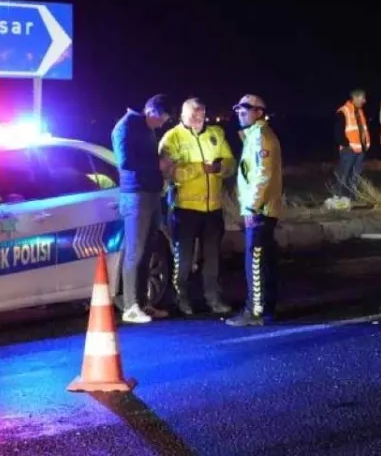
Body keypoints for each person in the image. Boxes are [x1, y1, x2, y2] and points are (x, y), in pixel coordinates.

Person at [158, 97, 235, 315]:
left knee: (212, 260)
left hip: (213, 208)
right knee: (183, 259)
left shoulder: (216, 134)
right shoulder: (171, 138)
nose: (197, 119)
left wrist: (219, 168)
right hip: (185, 209)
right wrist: (200, 169)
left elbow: (230, 163)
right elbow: (167, 172)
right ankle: (182, 298)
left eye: (201, 114)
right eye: (193, 115)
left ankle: (213, 298)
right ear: (182, 115)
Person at [111, 94, 173, 324]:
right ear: (151, 112)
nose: (162, 124)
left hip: (152, 193)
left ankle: (143, 303)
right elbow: (125, 162)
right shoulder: (124, 128)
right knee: (135, 252)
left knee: (148, 250)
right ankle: (130, 306)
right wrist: (156, 165)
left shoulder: (148, 129)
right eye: (162, 119)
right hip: (135, 195)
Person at [227, 94, 283, 327]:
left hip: (260, 209)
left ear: (259, 112)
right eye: (239, 109)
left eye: (246, 109)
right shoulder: (254, 136)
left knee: (256, 261)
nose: (241, 113)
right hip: (262, 208)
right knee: (263, 259)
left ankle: (255, 311)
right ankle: (265, 307)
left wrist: (251, 207)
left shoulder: (260, 137)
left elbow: (263, 175)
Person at [328, 89, 370, 208]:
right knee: (344, 174)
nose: (364, 101)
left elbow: (363, 130)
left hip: (360, 150)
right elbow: (338, 132)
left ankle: (352, 199)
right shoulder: (343, 111)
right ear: (355, 97)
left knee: (356, 176)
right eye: (362, 98)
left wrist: (365, 144)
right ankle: (338, 198)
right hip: (349, 150)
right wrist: (347, 144)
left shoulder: (360, 112)